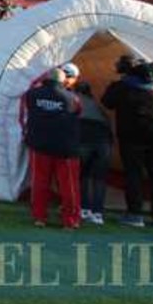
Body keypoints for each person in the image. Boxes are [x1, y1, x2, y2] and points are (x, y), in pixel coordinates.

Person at [102, 54, 153, 228]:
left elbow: (107, 102)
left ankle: (135, 214)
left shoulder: (121, 87)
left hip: (131, 137)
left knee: (134, 175)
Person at [22, 64, 82, 229]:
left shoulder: (32, 94)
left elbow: (28, 107)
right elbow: (78, 111)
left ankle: (39, 217)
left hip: (40, 145)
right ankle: (70, 220)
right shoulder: (72, 98)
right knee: (69, 186)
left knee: (40, 183)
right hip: (66, 147)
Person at [73, 80, 112, 225]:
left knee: (83, 175)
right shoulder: (97, 106)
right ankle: (98, 213)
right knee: (99, 179)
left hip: (85, 140)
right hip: (103, 142)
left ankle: (84, 208)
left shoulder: (74, 101)